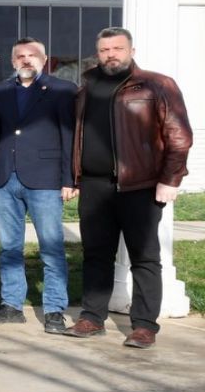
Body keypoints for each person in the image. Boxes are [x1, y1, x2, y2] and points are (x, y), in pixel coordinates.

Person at [69, 28, 193, 349]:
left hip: (140, 185)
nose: (111, 54)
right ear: (97, 53)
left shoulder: (156, 85)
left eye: (117, 48)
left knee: (144, 256)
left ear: (131, 51)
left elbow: (179, 135)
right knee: (96, 254)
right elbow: (77, 137)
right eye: (104, 49)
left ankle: (144, 326)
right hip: (94, 186)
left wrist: (170, 179)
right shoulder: (86, 89)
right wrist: (74, 178)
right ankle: (92, 318)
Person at [0, 37, 77, 330]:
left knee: (51, 247)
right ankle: (11, 305)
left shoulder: (63, 90)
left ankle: (54, 310)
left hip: (45, 180)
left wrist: (70, 179)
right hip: (4, 178)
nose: (26, 60)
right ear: (12, 61)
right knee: (10, 248)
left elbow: (69, 137)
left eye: (32, 55)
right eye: (20, 56)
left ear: (45, 59)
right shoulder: (1, 91)